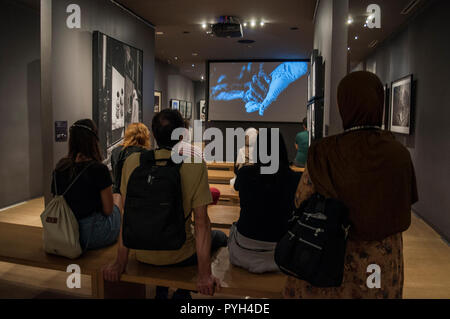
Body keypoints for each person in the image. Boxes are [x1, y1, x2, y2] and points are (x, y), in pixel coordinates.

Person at [284, 71, 418, 299]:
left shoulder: (324, 151)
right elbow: (406, 201)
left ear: (343, 104)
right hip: (380, 260)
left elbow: (301, 200)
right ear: (379, 103)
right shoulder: (399, 153)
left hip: (328, 256)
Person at [103, 109, 228, 299]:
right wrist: (204, 276)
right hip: (178, 254)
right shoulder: (194, 164)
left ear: (153, 134)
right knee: (218, 236)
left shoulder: (132, 162)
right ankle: (183, 291)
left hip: (142, 251)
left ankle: (162, 290)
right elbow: (202, 223)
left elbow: (127, 214)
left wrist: (120, 263)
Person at [229, 132, 301, 273]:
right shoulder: (295, 178)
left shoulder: (245, 173)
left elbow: (236, 186)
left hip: (243, 250)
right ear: (282, 150)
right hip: (282, 253)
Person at [51, 119, 121, 250]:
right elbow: (108, 210)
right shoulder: (99, 169)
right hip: (91, 235)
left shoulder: (59, 168)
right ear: (93, 140)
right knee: (118, 197)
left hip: (63, 232)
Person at [111, 123, 151, 194]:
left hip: (119, 195)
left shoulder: (115, 152)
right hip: (139, 195)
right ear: (145, 136)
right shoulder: (146, 154)